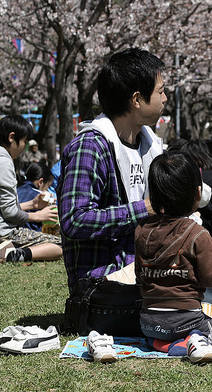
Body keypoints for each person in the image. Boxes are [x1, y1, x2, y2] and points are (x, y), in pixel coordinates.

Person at [58, 48, 166, 290]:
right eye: (160, 92)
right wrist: (144, 208)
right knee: (211, 300)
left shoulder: (149, 144)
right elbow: (74, 220)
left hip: (146, 267)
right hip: (105, 281)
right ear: (136, 99)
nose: (165, 98)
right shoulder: (90, 147)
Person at [135, 152, 212, 364]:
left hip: (148, 323)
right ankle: (184, 344)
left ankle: (158, 343)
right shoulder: (198, 234)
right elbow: (210, 278)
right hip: (185, 320)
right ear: (198, 194)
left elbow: (139, 275)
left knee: (170, 327)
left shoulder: (142, 230)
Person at [0, 115, 62, 263]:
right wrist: (38, 216)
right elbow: (9, 213)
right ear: (11, 137)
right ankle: (10, 255)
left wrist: (32, 205)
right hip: (4, 233)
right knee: (61, 244)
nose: (24, 147)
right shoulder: (4, 161)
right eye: (24, 142)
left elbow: (3, 208)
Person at [17, 162, 55, 231]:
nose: (48, 190)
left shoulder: (16, 190)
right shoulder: (40, 197)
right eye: (48, 187)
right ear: (40, 182)